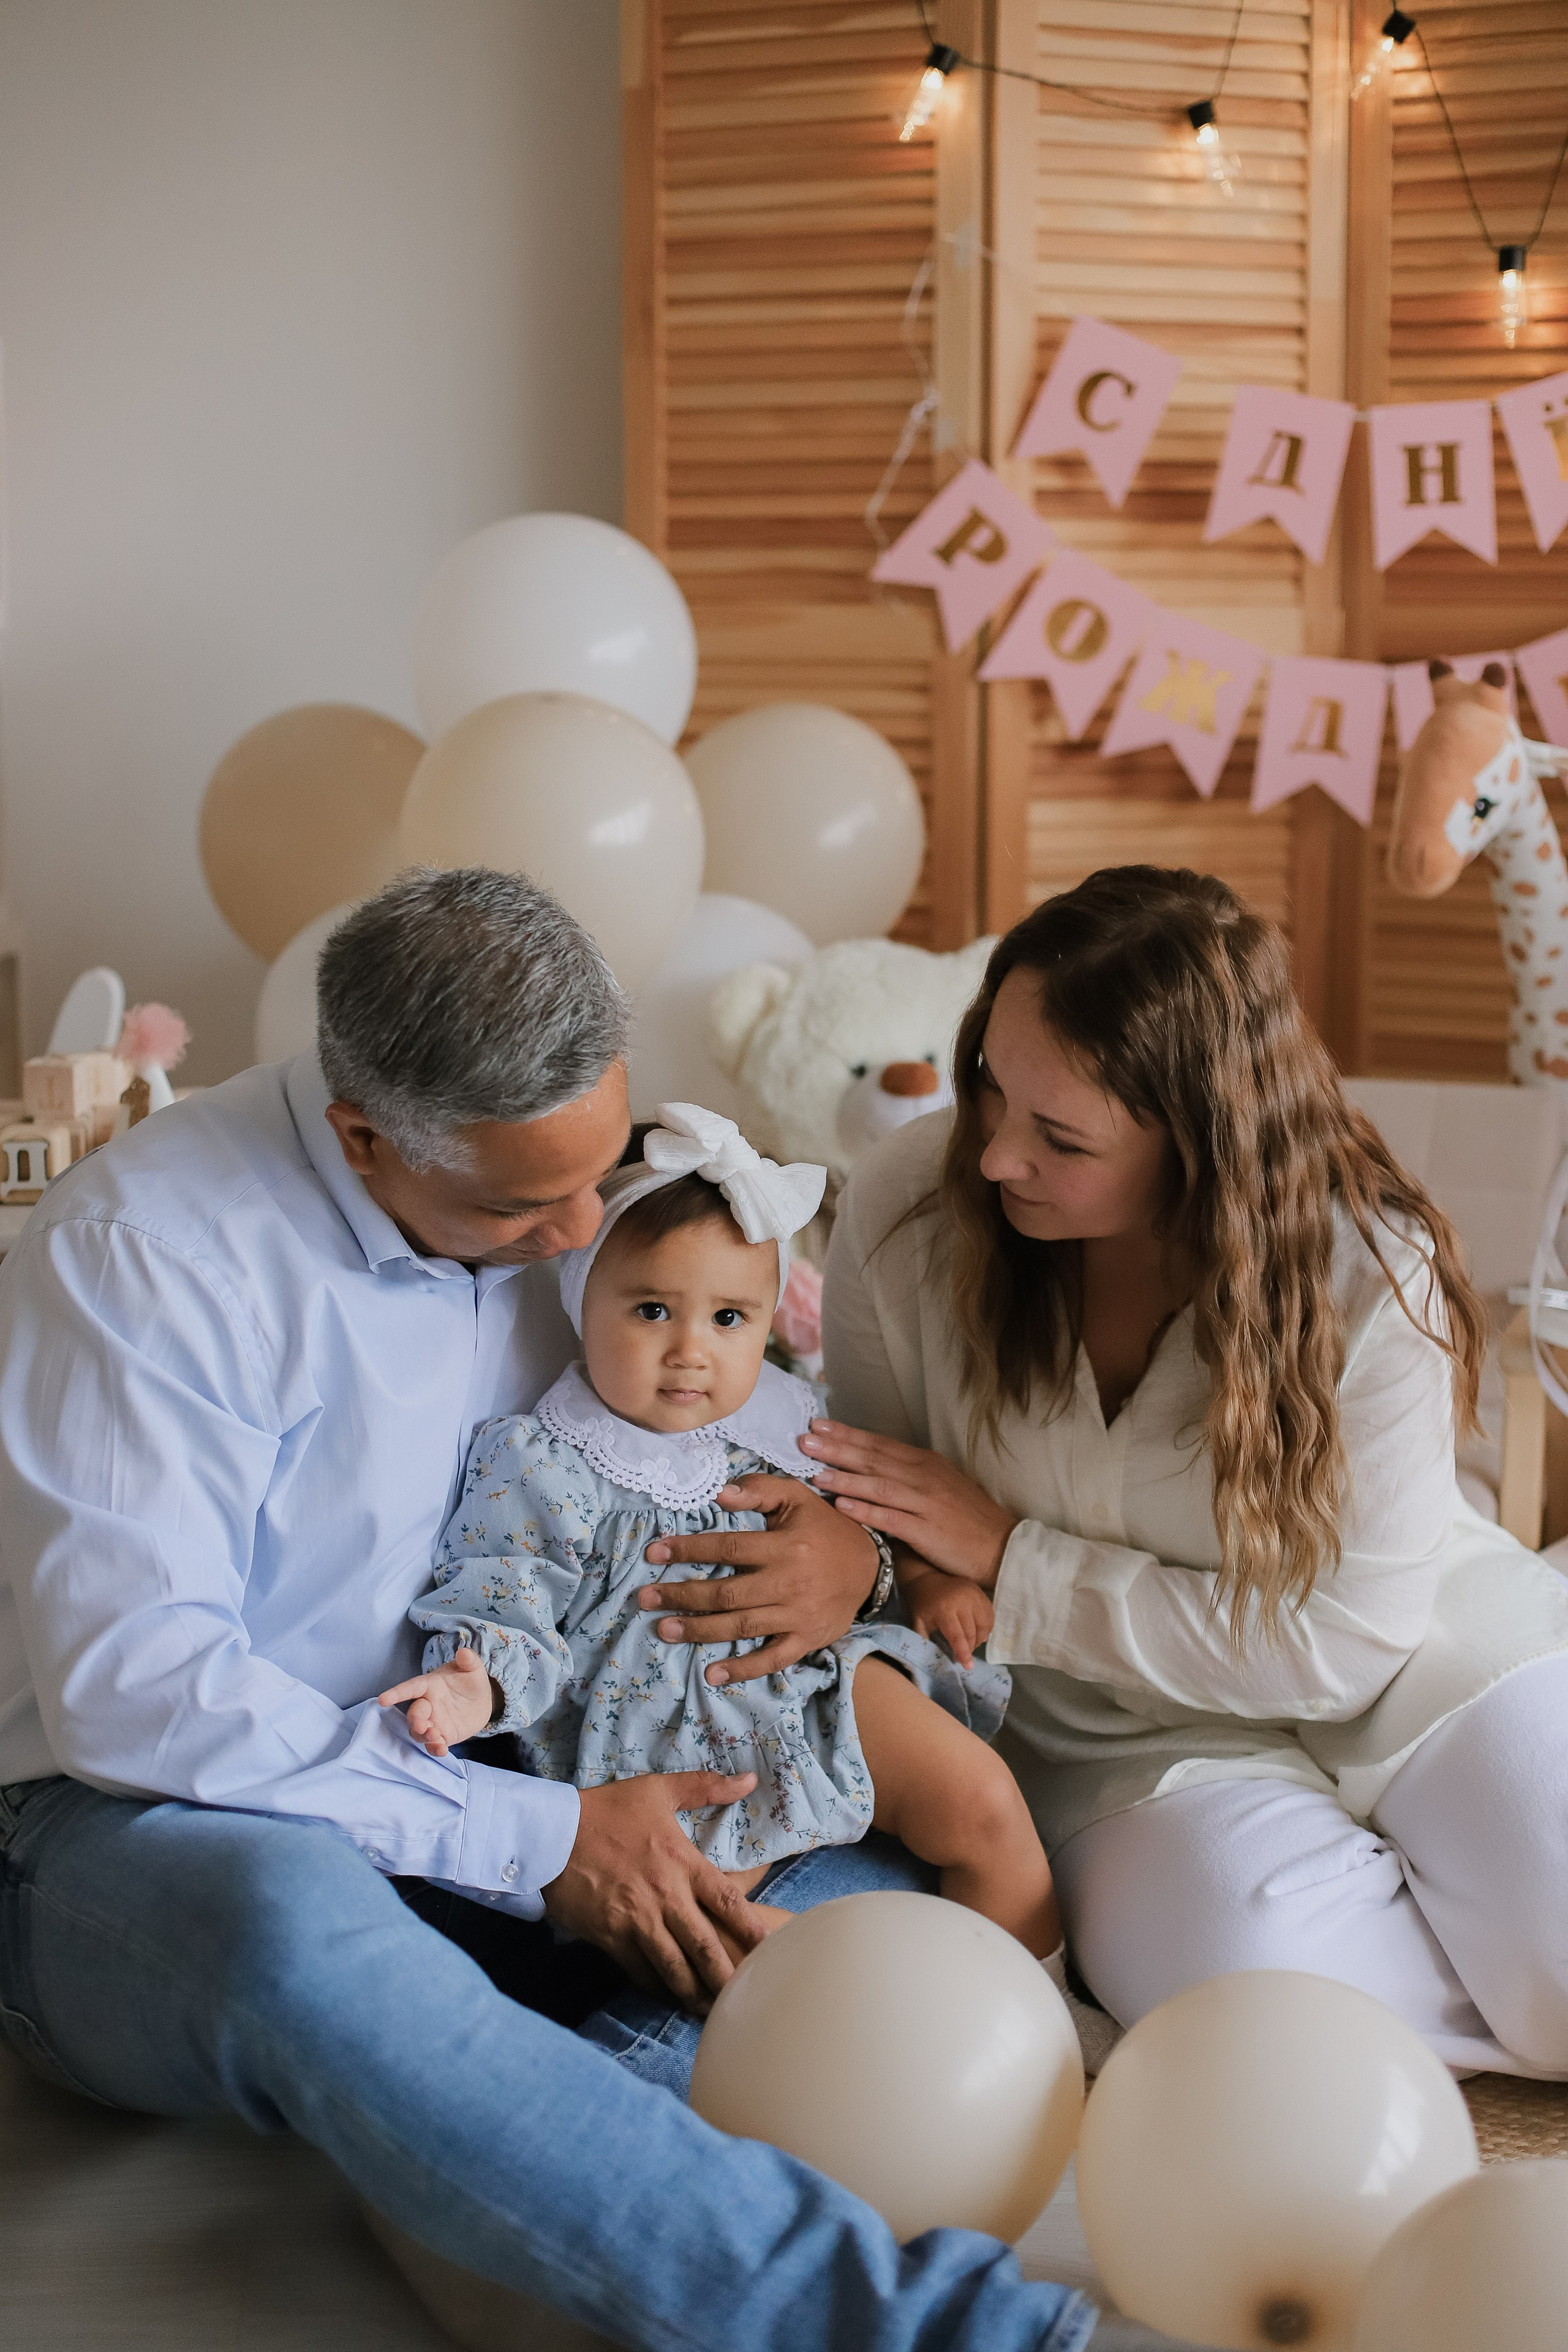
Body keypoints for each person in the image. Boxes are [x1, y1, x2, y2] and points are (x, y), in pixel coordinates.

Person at [0, 868, 1094, 2352]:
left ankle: (517, 2166)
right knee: (293, 1925)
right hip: (136, 1820)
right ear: (363, 1137)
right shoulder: (147, 1258)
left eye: (600, 1174)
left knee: (852, 1841)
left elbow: (734, 1424)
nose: (586, 1231)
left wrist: (853, 1557)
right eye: (527, 1206)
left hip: (529, 1760)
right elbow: (137, 1699)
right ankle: (928, 2333)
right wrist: (542, 1841)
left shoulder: (562, 1197)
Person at [783, 865, 1568, 2081]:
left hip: (1419, 1649)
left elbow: (1346, 1646)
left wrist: (1015, 1560)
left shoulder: (1366, 1267)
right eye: (988, 1080)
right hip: (1108, 1736)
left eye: (1060, 1138)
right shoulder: (907, 1212)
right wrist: (928, 1568)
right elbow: (885, 1519)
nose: (993, 1155)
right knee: (1267, 2019)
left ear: (1201, 1147)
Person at [380, 1104, 1052, 1957]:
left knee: (984, 1801)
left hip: (819, 1683)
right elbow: (505, 1592)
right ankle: (905, 2005)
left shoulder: (786, 1422)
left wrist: (926, 1579)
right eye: (652, 1310)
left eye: (729, 1318)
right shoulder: (543, 1460)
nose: (691, 1351)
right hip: (656, 1734)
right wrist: (473, 1685)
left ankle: (1045, 2004)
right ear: (583, 1300)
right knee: (731, 1936)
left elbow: (871, 1517)